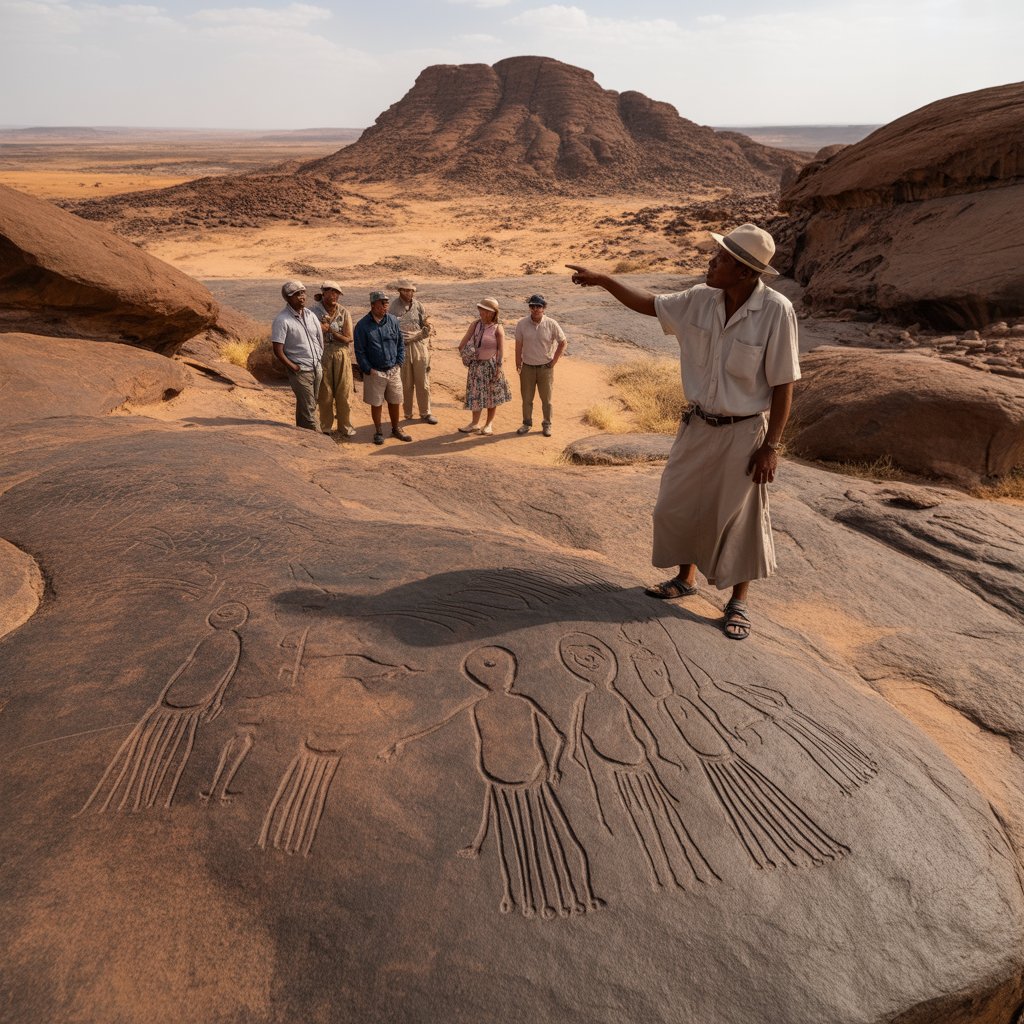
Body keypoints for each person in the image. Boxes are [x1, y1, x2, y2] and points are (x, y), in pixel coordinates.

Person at [567, 223, 800, 641]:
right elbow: (650, 304)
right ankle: (685, 578)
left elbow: (784, 384)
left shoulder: (776, 311)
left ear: (746, 272)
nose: (710, 263)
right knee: (676, 504)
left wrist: (771, 446)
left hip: (743, 432)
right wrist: (605, 280)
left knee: (738, 518)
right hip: (697, 424)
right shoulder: (699, 299)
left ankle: (738, 602)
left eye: (721, 258)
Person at [353, 291, 411, 445]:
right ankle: (378, 431)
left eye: (386, 303)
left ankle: (396, 428)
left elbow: (400, 343)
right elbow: (360, 351)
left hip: (393, 369)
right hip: (374, 372)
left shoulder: (392, 321)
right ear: (373, 305)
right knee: (376, 403)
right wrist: (368, 369)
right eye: (382, 303)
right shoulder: (362, 326)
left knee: (395, 400)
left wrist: (399, 362)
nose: (385, 306)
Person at [271, 281, 325, 431]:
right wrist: (293, 367)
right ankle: (317, 438)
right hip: (300, 371)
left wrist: (319, 357)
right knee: (308, 408)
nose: (301, 297)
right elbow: (277, 350)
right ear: (288, 298)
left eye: (302, 293)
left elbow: (319, 339)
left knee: (309, 404)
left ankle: (303, 434)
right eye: (296, 294)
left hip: (316, 367)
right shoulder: (282, 320)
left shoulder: (311, 315)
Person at [456, 298, 512, 435]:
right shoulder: (475, 325)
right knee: (476, 395)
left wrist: (499, 368)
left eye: (484, 310)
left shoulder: (498, 328)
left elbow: (501, 350)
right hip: (476, 366)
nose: (481, 312)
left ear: (492, 313)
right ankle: (474, 424)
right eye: (480, 309)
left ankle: (488, 425)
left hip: (491, 366)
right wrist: (467, 353)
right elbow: (463, 343)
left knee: (491, 396)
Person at [514, 293, 566, 437]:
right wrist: (518, 362)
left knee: (546, 400)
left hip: (545, 368)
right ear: (529, 308)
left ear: (544, 308)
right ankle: (526, 423)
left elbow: (563, 342)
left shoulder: (551, 323)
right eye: (532, 306)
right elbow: (518, 344)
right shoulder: (522, 324)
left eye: (539, 306)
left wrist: (554, 361)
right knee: (526, 399)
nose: (535, 309)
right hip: (527, 367)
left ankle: (547, 424)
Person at [312, 281, 355, 437]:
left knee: (344, 392)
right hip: (322, 353)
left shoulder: (343, 312)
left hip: (341, 354)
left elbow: (348, 338)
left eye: (337, 293)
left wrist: (330, 330)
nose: (334, 296)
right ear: (323, 293)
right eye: (331, 292)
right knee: (325, 393)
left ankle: (345, 426)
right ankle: (326, 427)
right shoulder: (312, 312)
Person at [392, 279, 437, 424]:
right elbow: (390, 327)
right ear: (400, 291)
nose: (408, 293)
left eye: (411, 290)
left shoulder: (418, 306)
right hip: (402, 347)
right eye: (405, 290)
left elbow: (424, 323)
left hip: (419, 345)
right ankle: (408, 413)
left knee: (423, 381)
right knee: (406, 382)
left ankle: (426, 412)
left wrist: (427, 329)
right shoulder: (393, 307)